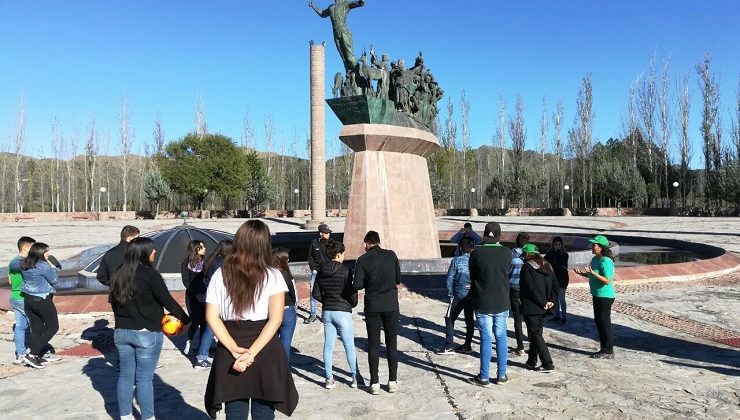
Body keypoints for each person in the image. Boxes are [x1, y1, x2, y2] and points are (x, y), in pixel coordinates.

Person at [204, 220, 298, 419]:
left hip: (230, 348)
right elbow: (276, 319)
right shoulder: (273, 275)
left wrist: (233, 348)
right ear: (264, 245)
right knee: (264, 412)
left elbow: (212, 317)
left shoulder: (220, 274)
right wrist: (251, 354)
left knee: (234, 411)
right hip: (264, 348)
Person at [110, 237, 190, 420]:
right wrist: (186, 320)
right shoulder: (150, 275)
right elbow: (168, 301)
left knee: (125, 376)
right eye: (152, 250)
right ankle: (147, 417)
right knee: (144, 379)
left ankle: (125, 416)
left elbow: (114, 304)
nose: (155, 252)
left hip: (122, 332)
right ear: (144, 253)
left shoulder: (118, 273)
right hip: (146, 333)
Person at [353, 230, 401, 395]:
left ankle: (374, 383)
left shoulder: (362, 259)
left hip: (373, 305)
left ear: (366, 243)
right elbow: (398, 279)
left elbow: (357, 284)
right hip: (391, 304)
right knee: (391, 343)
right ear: (378, 242)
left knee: (373, 344)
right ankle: (392, 381)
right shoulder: (391, 255)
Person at [466, 222, 512, 388]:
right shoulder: (507, 253)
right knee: (501, 336)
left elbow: (472, 275)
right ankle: (501, 375)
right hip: (501, 301)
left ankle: (484, 377)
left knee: (486, 337)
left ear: (484, 235)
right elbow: (509, 275)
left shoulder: (476, 253)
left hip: (483, 301)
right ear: (499, 236)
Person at [313, 240, 361, 389]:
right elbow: (351, 293)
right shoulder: (345, 270)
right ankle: (355, 377)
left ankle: (329, 379)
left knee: (328, 346)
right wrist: (351, 303)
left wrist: (326, 300)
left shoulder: (321, 270)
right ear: (339, 254)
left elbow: (315, 293)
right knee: (349, 346)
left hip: (327, 311)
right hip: (343, 311)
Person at [10, 243, 61, 369]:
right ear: (40, 253)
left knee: (36, 328)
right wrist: (54, 267)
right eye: (46, 251)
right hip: (42, 300)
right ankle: (31, 354)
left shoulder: (23, 263)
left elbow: (12, 265)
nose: (48, 254)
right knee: (53, 327)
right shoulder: (43, 266)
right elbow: (54, 280)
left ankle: (37, 355)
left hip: (28, 299)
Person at [193, 239, 234, 369]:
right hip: (220, 299)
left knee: (211, 328)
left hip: (210, 298)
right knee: (213, 328)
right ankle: (201, 358)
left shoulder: (212, 260)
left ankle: (204, 354)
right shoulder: (222, 263)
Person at [574, 235, 616, 359]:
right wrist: (582, 273)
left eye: (594, 245)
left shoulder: (606, 261)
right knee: (599, 322)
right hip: (597, 295)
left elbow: (607, 280)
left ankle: (608, 351)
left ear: (601, 248)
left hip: (605, 297)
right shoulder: (594, 259)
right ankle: (604, 348)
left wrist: (593, 273)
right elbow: (592, 276)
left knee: (604, 323)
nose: (592, 247)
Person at [519, 244, 558, 372]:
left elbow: (529, 288)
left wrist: (542, 302)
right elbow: (555, 285)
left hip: (532, 306)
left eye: (524, 254)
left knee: (535, 334)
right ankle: (532, 360)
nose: (523, 257)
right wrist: (551, 301)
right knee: (536, 334)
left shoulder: (527, 267)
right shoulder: (547, 265)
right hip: (544, 306)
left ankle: (547, 363)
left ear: (528, 254)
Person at [437, 237, 475, 355]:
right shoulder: (475, 260)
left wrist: (450, 293)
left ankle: (449, 345)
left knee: (449, 318)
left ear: (460, 248)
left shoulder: (456, 260)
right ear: (472, 248)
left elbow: (449, 278)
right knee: (469, 320)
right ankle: (467, 344)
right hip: (471, 295)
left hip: (458, 295)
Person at [8, 236, 35, 364]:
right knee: (36, 325)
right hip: (24, 298)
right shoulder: (22, 263)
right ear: (25, 247)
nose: (34, 249)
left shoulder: (13, 262)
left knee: (20, 326)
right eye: (32, 246)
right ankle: (38, 352)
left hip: (14, 297)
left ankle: (20, 354)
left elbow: (9, 280)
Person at [182, 240, 207, 356]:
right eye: (201, 247)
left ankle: (203, 346)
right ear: (195, 249)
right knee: (195, 320)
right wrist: (196, 294)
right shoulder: (185, 264)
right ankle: (189, 341)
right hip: (192, 297)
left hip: (205, 295)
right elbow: (186, 282)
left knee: (205, 321)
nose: (204, 248)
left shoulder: (206, 262)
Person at [272, 247, 298, 362]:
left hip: (271, 311)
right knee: (285, 343)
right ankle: (283, 371)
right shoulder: (287, 276)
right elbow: (295, 296)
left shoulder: (268, 275)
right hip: (287, 310)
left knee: (271, 342)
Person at [508, 232, 529, 356]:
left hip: (513, 288)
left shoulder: (510, 255)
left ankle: (520, 346)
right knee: (528, 316)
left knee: (517, 318)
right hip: (526, 289)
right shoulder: (529, 255)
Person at [305, 223, 331, 324]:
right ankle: (313, 314)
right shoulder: (314, 243)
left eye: (329, 233)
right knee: (312, 293)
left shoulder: (331, 243)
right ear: (321, 233)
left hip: (328, 272)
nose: (328, 234)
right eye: (326, 233)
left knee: (327, 294)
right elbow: (310, 257)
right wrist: (314, 269)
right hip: (316, 272)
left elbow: (334, 256)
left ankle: (326, 315)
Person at [545, 237, 570, 324]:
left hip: (562, 279)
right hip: (553, 279)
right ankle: (556, 315)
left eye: (559, 244)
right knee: (554, 298)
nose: (557, 246)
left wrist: (557, 255)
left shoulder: (564, 254)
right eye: (556, 244)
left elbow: (561, 265)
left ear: (561, 245)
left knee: (561, 299)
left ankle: (564, 316)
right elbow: (546, 262)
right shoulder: (550, 254)